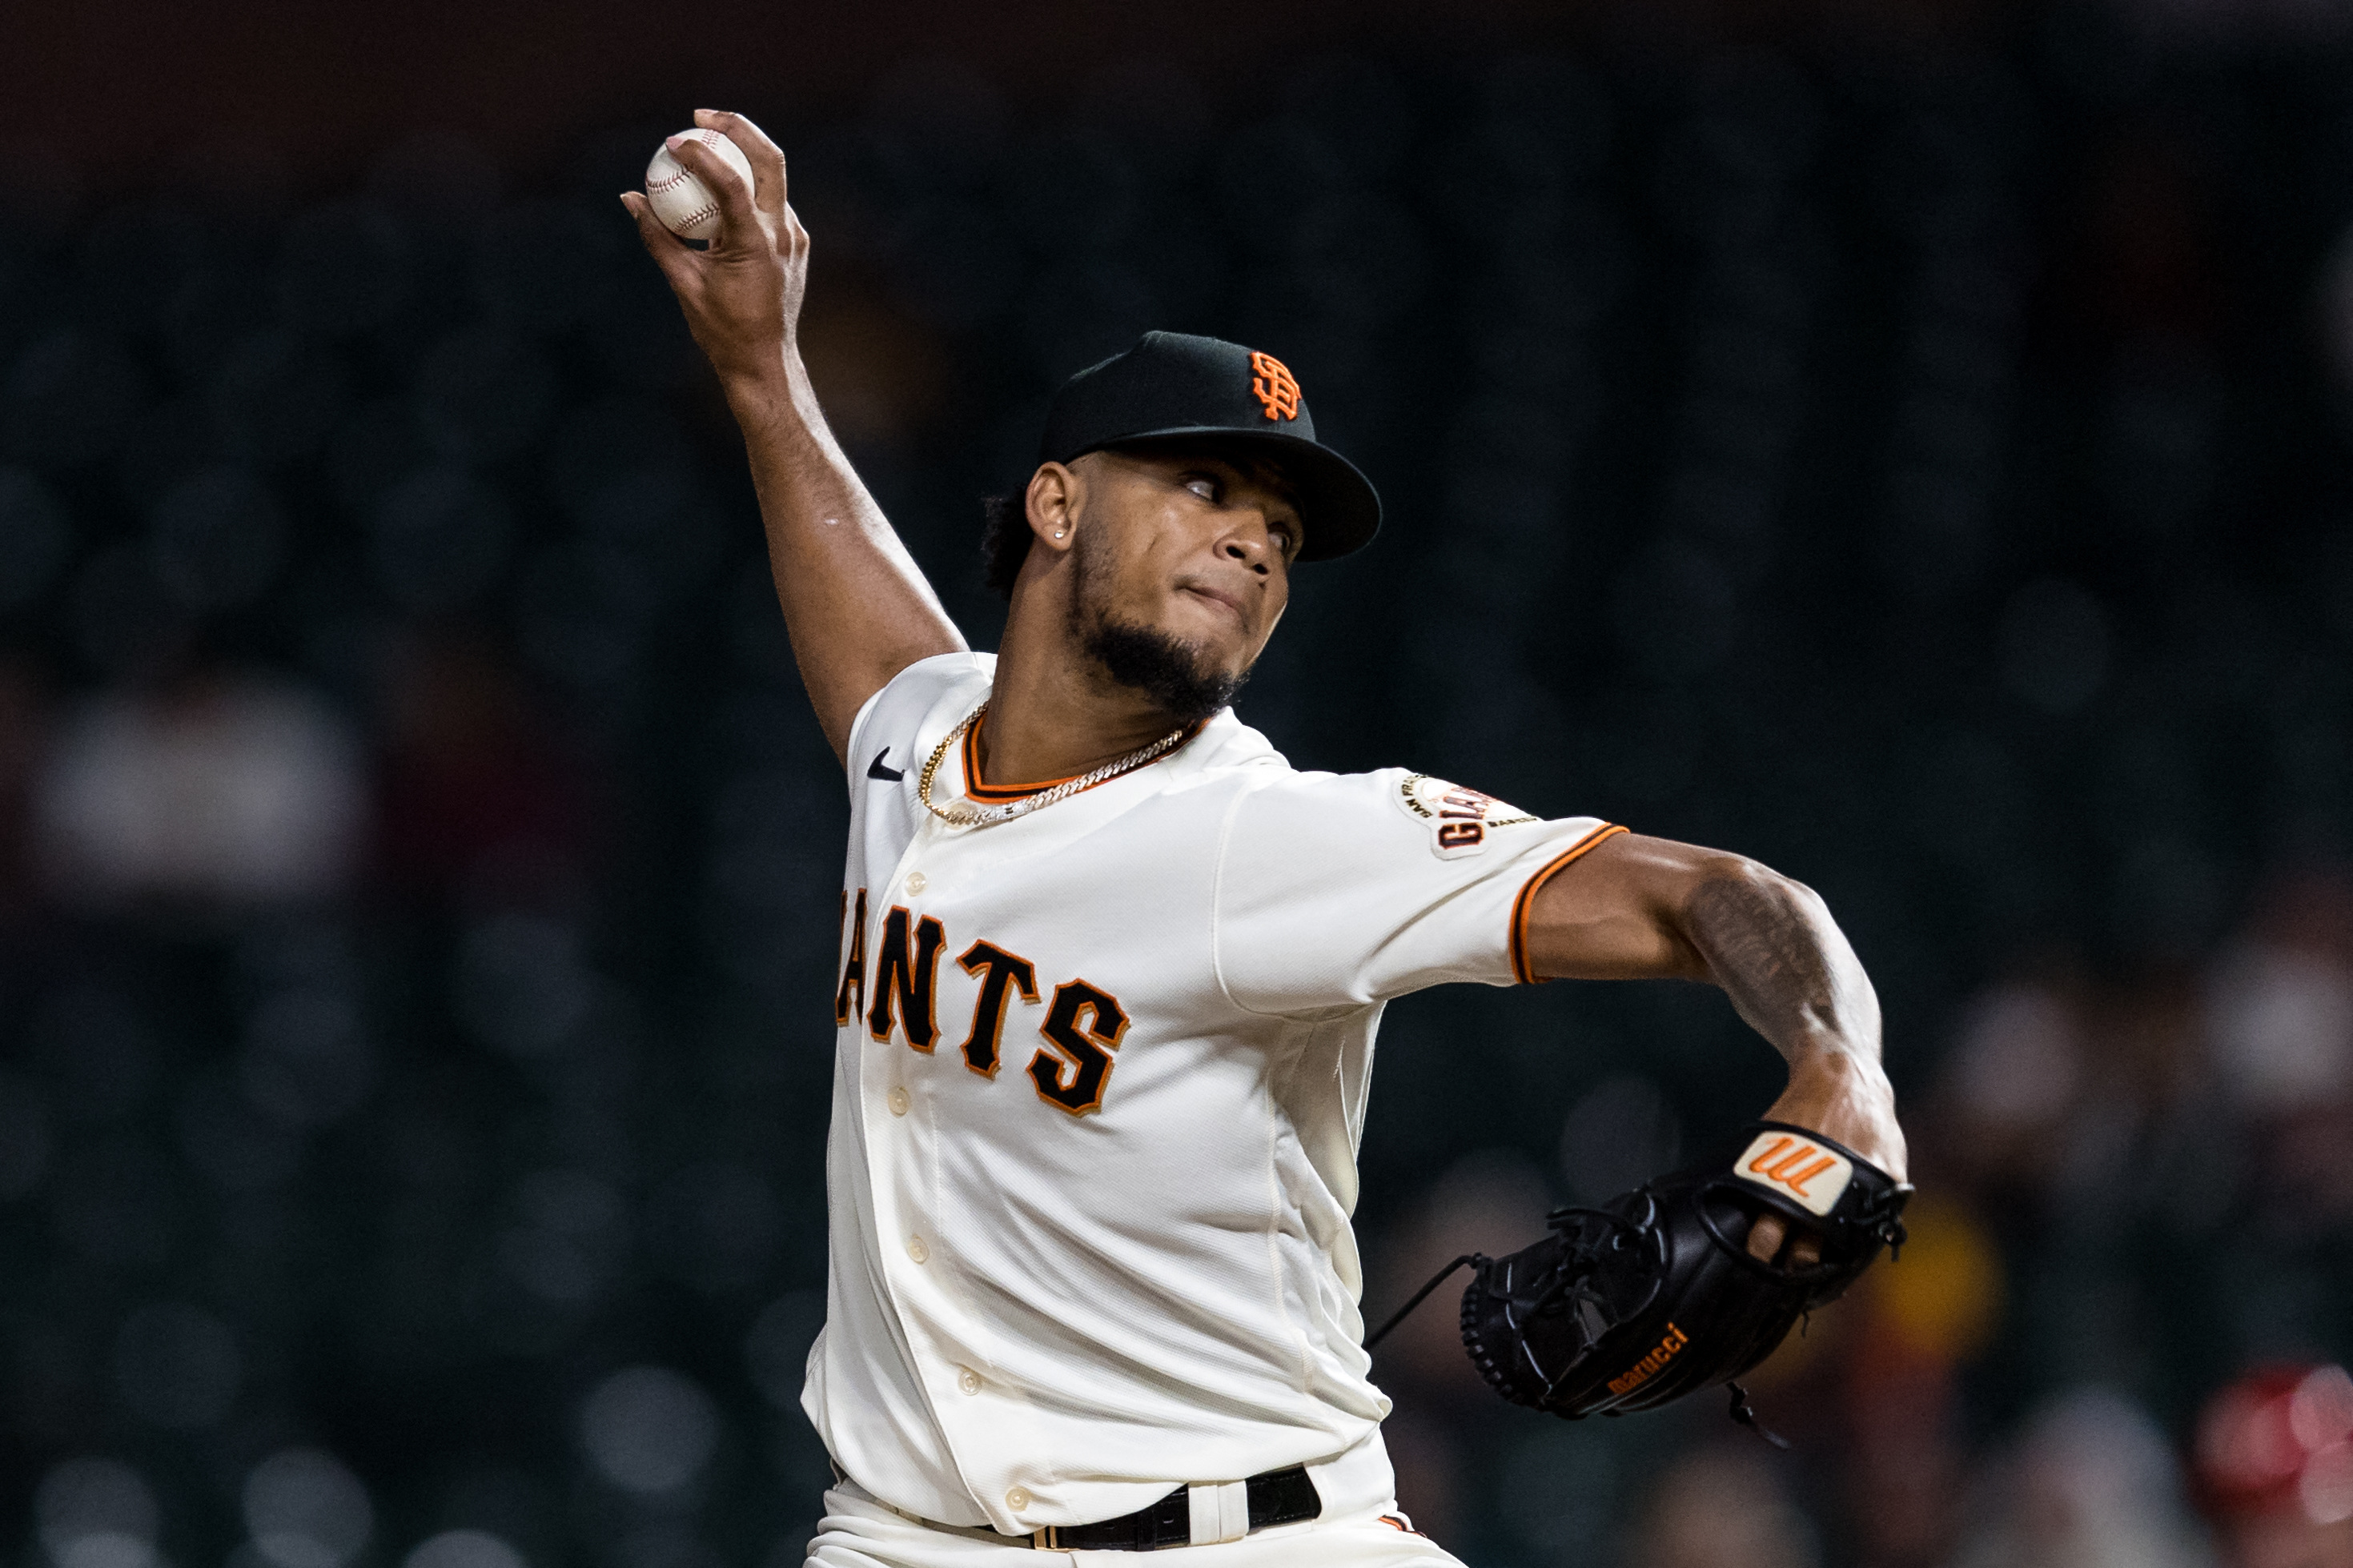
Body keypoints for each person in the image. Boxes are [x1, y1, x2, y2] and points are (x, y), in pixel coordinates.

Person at [624, 110, 1907, 1568]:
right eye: (1204, 484)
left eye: (1282, 532)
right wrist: (761, 370)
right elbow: (877, 656)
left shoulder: (1272, 836)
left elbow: (1718, 899)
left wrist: (1839, 1067)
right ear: (1054, 504)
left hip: (1253, 1543)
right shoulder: (922, 742)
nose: (1253, 538)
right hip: (907, 1540)